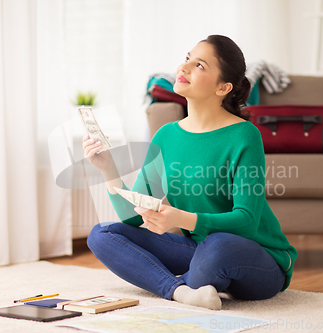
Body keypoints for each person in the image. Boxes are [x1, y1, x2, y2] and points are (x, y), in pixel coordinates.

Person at [84, 35, 297, 310]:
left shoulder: (244, 136)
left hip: (256, 257)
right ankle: (180, 291)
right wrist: (107, 167)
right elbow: (131, 216)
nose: (183, 68)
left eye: (199, 65)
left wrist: (181, 218)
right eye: (187, 59)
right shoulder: (166, 135)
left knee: (218, 246)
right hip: (199, 251)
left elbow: (246, 221)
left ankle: (185, 282)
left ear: (223, 87)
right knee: (102, 234)